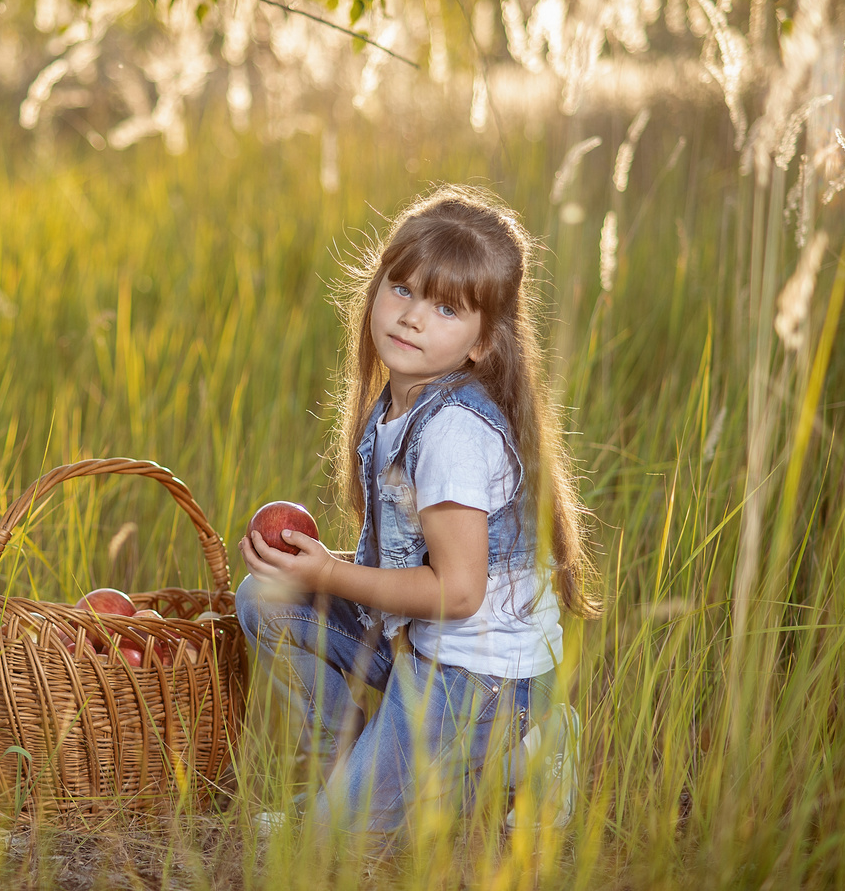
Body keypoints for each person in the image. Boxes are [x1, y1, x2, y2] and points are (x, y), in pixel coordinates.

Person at [236, 185, 601, 846]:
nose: (412, 317)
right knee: (267, 595)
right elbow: (415, 566)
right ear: (375, 288)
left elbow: (458, 592)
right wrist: (314, 570)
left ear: (483, 342)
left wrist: (333, 574)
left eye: (445, 307)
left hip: (482, 676)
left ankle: (528, 743)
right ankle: (343, 776)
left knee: (329, 850)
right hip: (423, 647)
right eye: (401, 288)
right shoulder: (398, 404)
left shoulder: (454, 433)